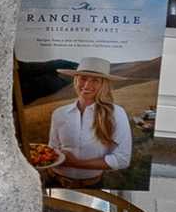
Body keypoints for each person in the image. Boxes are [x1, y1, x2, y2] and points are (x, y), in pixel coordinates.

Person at [42, 55, 136, 186]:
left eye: (95, 80)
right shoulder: (60, 113)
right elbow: (53, 148)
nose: (87, 85)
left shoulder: (116, 113)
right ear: (76, 80)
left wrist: (76, 163)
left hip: (91, 185)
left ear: (104, 84)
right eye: (83, 78)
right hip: (53, 180)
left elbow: (122, 160)